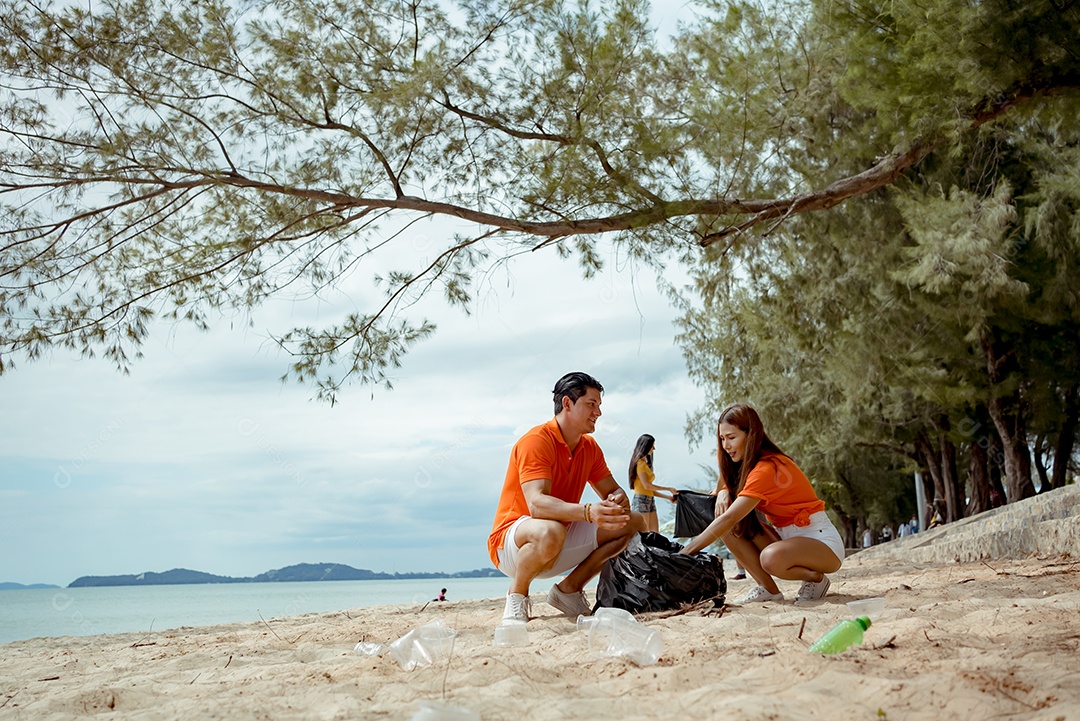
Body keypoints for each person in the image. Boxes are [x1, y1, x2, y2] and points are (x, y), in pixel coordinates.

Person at [488, 372, 646, 622]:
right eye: (591, 404)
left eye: (599, 406)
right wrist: (587, 512)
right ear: (567, 403)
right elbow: (537, 505)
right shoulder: (536, 441)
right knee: (551, 531)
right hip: (512, 543)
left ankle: (568, 590)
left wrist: (618, 500)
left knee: (633, 522)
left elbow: (613, 490)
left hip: (559, 537)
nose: (598, 413)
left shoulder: (589, 447)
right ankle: (517, 595)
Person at [678, 404, 844, 605]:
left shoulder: (767, 468)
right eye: (722, 439)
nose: (726, 445)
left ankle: (816, 579)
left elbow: (729, 517)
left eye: (731, 438)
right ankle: (769, 590)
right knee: (727, 521)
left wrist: (684, 555)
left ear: (751, 435)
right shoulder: (746, 464)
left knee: (769, 557)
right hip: (784, 537)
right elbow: (725, 486)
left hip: (822, 543)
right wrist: (723, 491)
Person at [628, 434, 677, 533]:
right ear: (645, 446)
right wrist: (668, 489)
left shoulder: (645, 464)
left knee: (655, 534)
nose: (654, 448)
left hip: (650, 500)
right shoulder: (640, 464)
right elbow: (647, 485)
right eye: (652, 446)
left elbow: (649, 490)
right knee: (644, 534)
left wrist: (668, 497)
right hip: (641, 501)